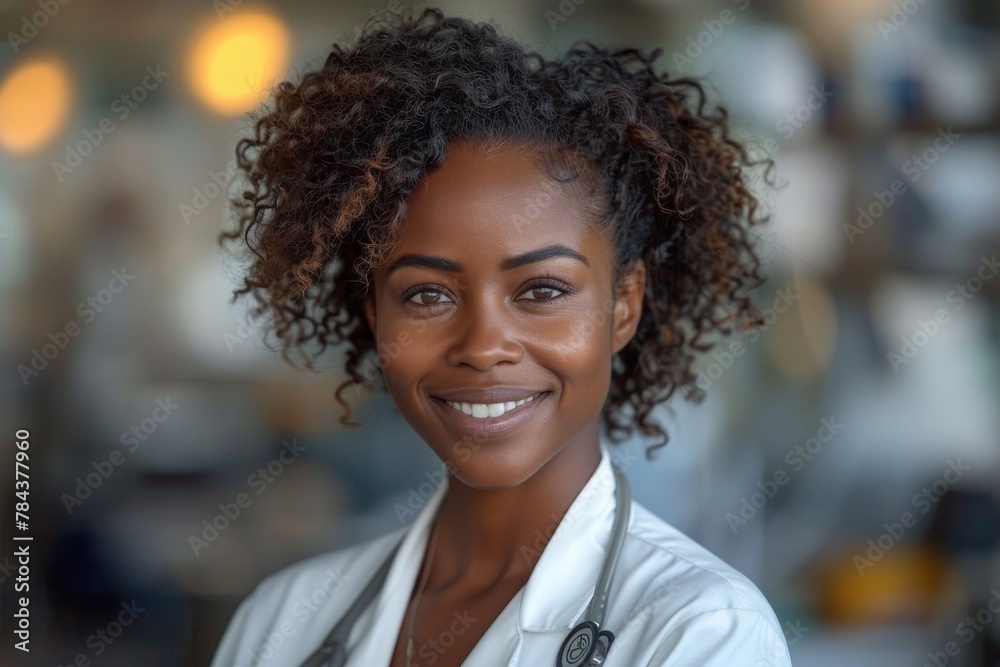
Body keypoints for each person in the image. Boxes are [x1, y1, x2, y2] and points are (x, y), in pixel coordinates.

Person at [211, 7, 789, 666]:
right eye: (427, 294)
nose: (484, 345)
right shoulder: (282, 624)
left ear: (623, 304)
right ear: (376, 315)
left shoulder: (700, 631)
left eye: (541, 290)